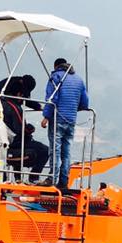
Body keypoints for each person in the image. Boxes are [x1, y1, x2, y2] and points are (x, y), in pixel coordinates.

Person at [42, 58, 89, 190]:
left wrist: (46, 117)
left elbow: (52, 99)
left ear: (56, 66)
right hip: (71, 120)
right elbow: (85, 103)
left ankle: (52, 178)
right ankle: (64, 181)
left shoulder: (56, 76)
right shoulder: (79, 80)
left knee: (55, 150)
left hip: (58, 118)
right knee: (66, 152)